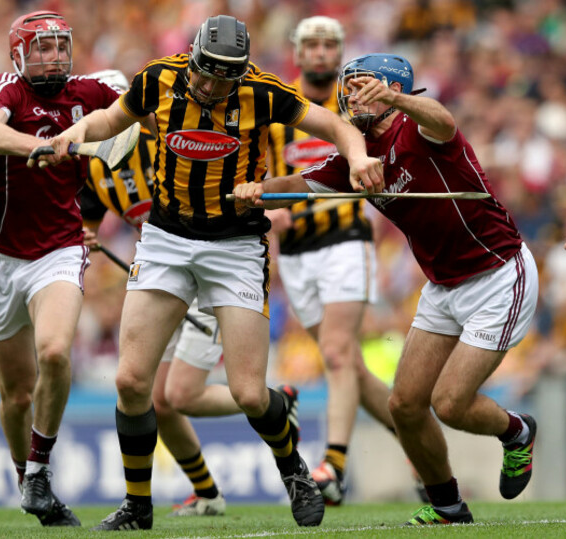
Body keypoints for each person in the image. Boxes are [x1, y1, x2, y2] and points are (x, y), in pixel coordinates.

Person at [32, 15, 383, 530]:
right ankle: (138, 505)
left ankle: (295, 472)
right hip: (167, 238)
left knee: (246, 391)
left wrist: (356, 157)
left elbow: (335, 125)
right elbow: (111, 121)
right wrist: (74, 133)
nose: (212, 86)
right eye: (205, 74)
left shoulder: (263, 93)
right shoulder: (158, 77)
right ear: (192, 59)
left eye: (225, 78)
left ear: (241, 74)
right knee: (131, 381)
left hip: (236, 244)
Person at [233, 53, 539, 526]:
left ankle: (517, 432)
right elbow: (301, 183)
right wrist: (259, 188)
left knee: (451, 404)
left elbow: (444, 119)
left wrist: (399, 100)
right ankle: (448, 507)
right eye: (348, 86)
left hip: (498, 274)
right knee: (404, 405)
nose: (351, 95)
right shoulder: (356, 155)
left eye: (362, 86)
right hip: (443, 287)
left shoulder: (419, 128)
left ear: (392, 89)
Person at [0, 10, 121, 527]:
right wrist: (43, 146)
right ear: (19, 55)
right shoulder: (6, 91)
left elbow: (142, 111)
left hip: (58, 248)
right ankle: (23, 476)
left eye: (59, 46)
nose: (53, 56)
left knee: (54, 350)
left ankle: (39, 472)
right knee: (16, 394)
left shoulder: (88, 92)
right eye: (42, 48)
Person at [82, 69, 256, 517]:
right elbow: (86, 221)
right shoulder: (96, 165)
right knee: (156, 398)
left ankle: (280, 403)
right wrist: (85, 237)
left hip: (208, 266)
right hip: (162, 277)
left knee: (182, 396)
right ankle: (208, 493)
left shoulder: (166, 136)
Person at [268, 16, 424, 505]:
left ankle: (332, 467)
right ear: (296, 52)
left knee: (336, 353)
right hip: (296, 254)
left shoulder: (355, 104)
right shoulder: (278, 102)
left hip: (344, 239)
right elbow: (258, 166)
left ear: (340, 54)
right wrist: (271, 210)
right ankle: (421, 449)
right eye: (310, 44)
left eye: (329, 44)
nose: (319, 53)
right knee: (348, 367)